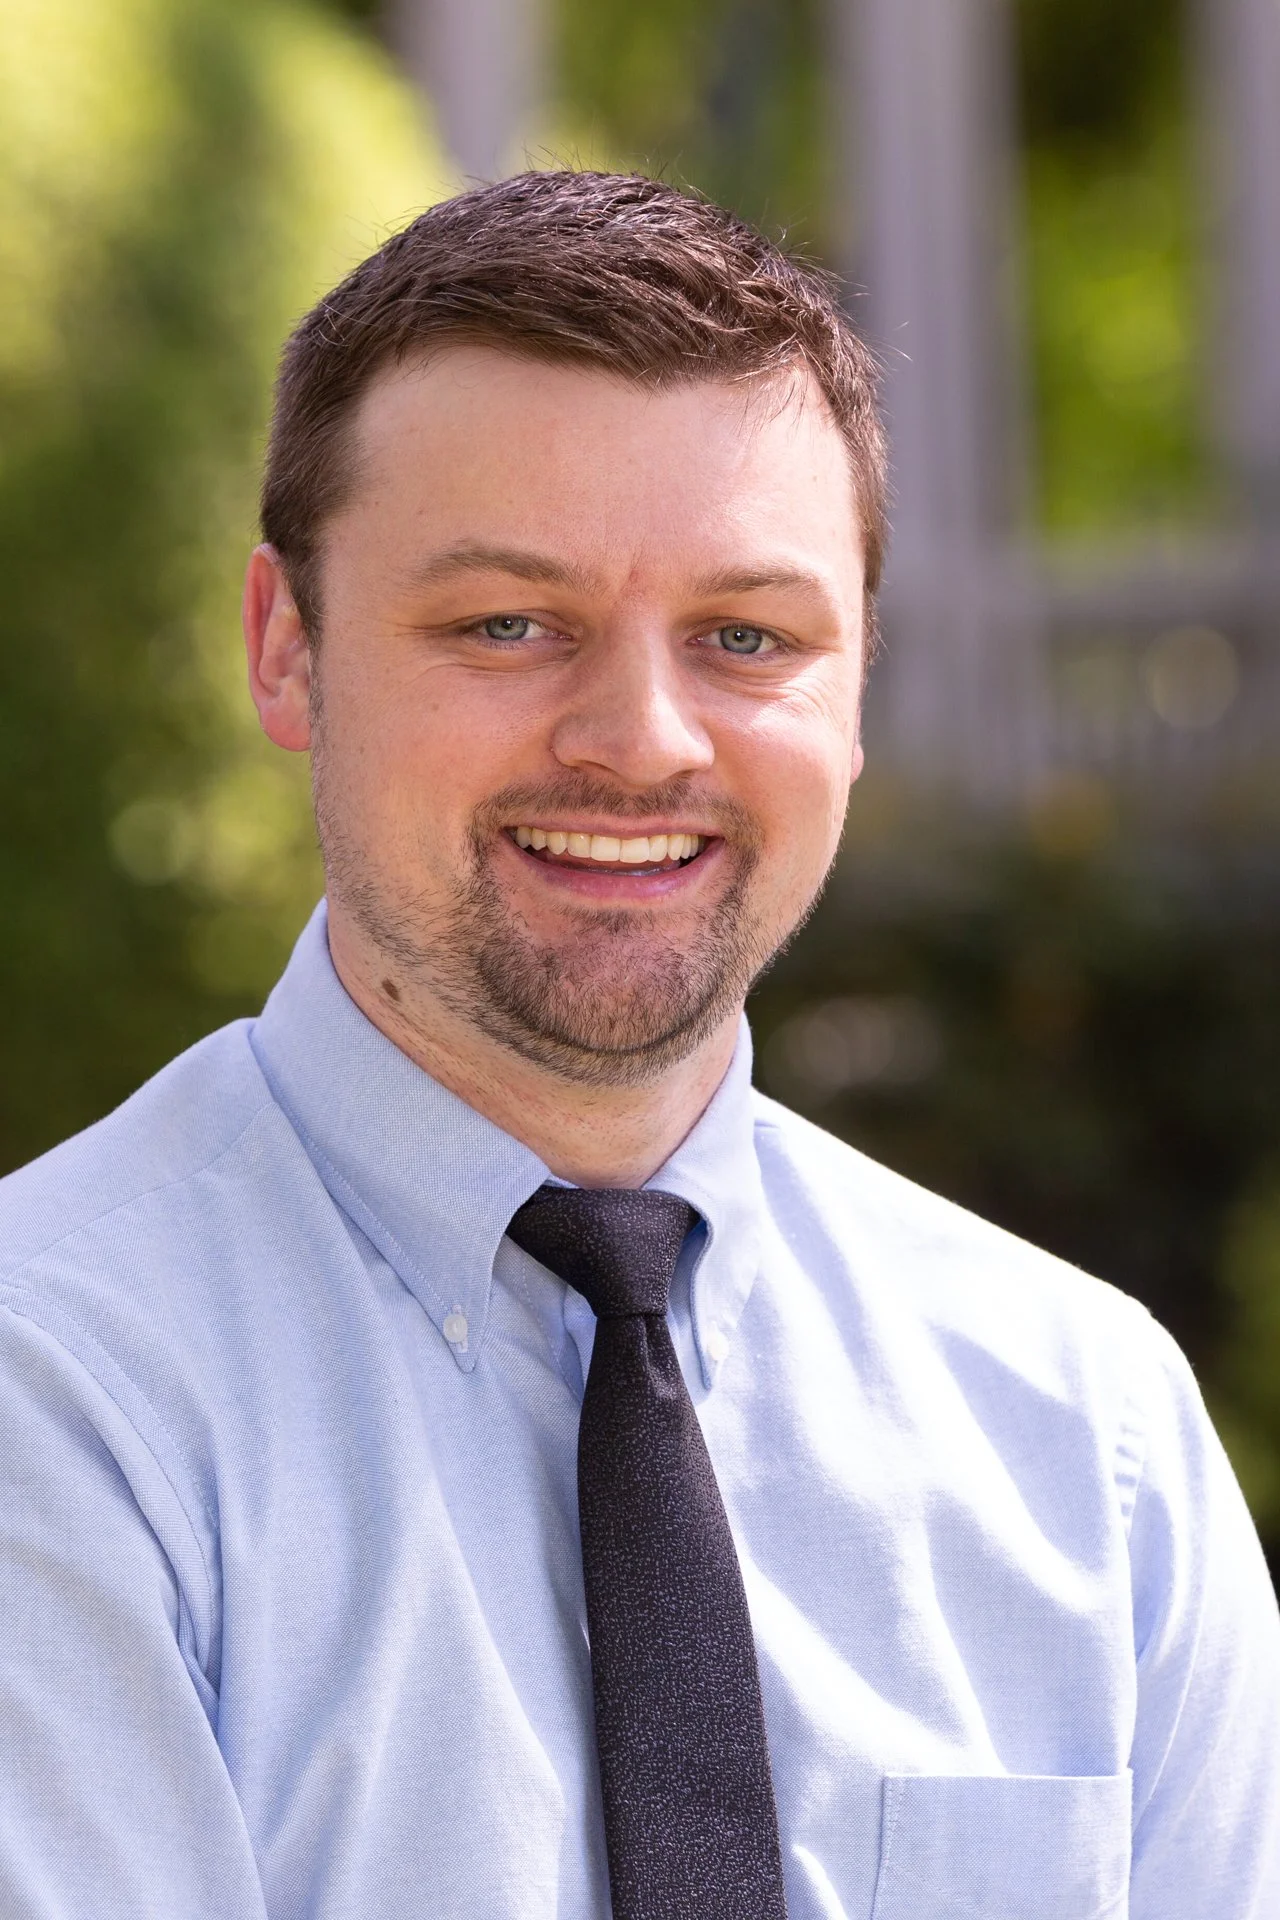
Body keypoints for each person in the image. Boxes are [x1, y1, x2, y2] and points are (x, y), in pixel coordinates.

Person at [1, 170, 1277, 1920]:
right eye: (507, 624)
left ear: (856, 682)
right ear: (288, 651)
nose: (641, 737)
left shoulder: (1087, 1432)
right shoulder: (55, 1403)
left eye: (748, 637)